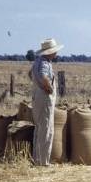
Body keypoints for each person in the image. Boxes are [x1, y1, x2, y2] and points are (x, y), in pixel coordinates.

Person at [31, 38, 63, 166]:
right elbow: (44, 76)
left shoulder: (37, 62)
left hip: (37, 97)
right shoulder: (44, 63)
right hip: (44, 98)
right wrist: (48, 88)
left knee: (39, 129)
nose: (56, 53)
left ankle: (37, 159)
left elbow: (30, 74)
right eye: (54, 51)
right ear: (49, 52)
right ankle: (43, 162)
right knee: (46, 129)